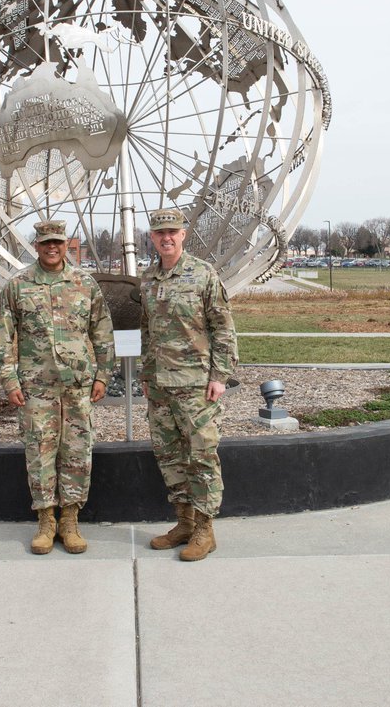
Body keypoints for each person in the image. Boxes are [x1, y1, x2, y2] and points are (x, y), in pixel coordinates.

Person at [0, 220, 115, 555]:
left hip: (77, 389)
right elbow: (2, 337)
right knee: (39, 452)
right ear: (37, 245)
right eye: (45, 242)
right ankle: (46, 520)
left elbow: (102, 332)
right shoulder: (18, 285)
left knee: (76, 452)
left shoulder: (83, 284)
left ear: (65, 244)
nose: (52, 247)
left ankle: (70, 520)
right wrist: (9, 380)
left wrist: (103, 375)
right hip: (36, 388)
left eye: (57, 242)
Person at [139, 207, 238, 562]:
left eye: (172, 232)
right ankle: (184, 521)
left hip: (196, 386)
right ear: (152, 237)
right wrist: (148, 377)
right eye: (159, 233)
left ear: (183, 235)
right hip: (162, 387)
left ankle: (205, 530)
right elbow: (147, 332)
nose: (166, 237)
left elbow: (223, 328)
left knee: (201, 456)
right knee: (170, 458)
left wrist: (219, 376)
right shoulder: (149, 279)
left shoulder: (202, 275)